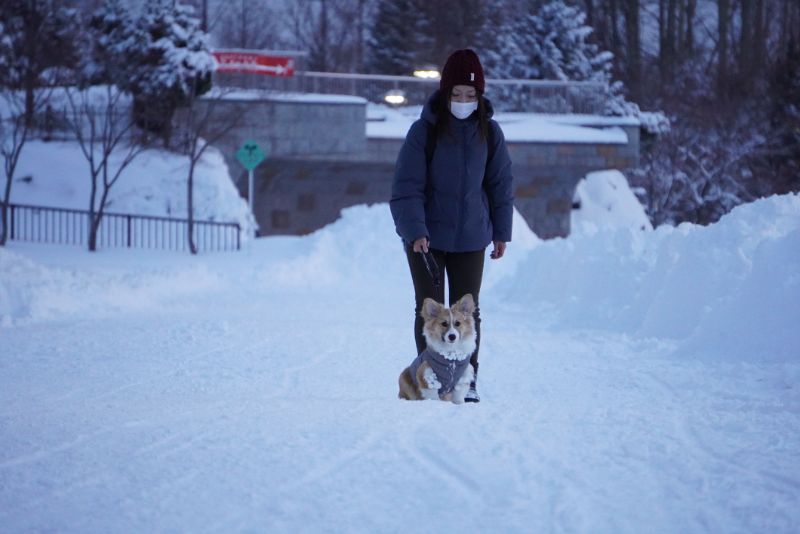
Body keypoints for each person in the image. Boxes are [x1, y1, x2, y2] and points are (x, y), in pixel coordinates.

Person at [390, 49, 514, 403]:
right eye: (456, 94)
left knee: (466, 311)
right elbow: (405, 187)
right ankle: (430, 378)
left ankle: (466, 379)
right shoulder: (423, 132)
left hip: (472, 236)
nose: (463, 101)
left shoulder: (489, 133)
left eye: (470, 95)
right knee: (429, 308)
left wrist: (501, 232)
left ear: (480, 96)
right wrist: (415, 230)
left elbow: (500, 184)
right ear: (445, 95)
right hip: (426, 239)